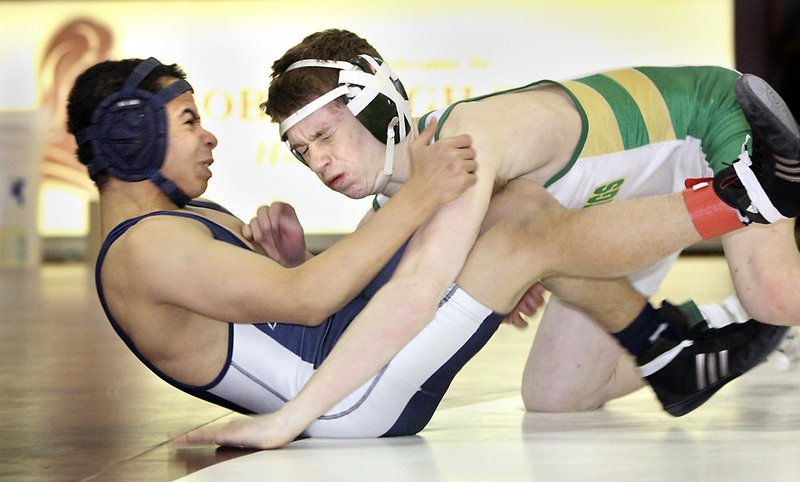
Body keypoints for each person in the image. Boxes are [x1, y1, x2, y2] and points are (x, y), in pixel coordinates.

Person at [182, 29, 800, 448]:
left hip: (705, 125)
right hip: (628, 210)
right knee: (557, 397)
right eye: (302, 150)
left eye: (327, 135)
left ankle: (753, 215)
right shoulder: (397, 203)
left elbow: (415, 296)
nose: (318, 161)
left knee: (779, 296)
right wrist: (300, 262)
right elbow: (361, 308)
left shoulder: (463, 141)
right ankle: (714, 339)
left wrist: (290, 418)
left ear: (375, 104)